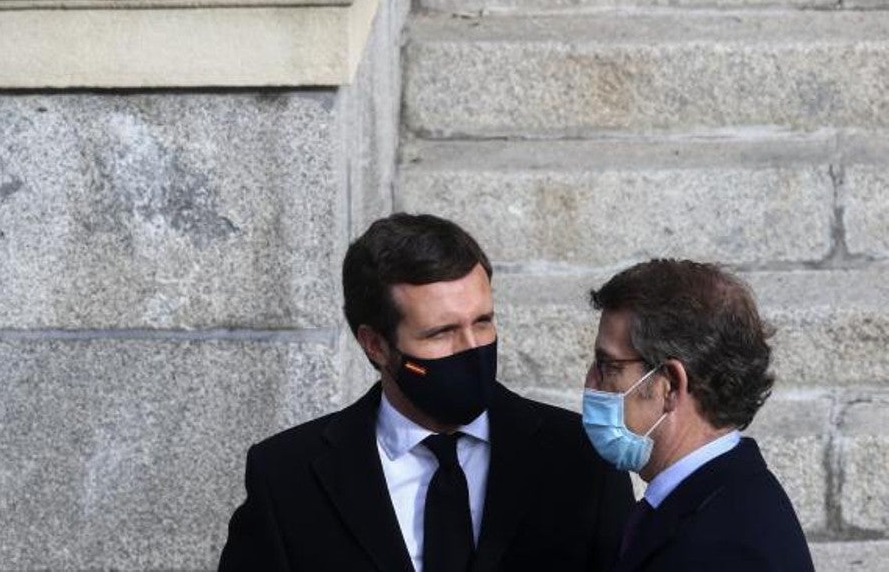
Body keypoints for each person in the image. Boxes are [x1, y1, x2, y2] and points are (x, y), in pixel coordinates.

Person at [219, 213, 632, 571]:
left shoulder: (581, 457)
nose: (472, 347)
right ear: (376, 345)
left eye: (483, 322)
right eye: (442, 332)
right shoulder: (287, 477)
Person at [582, 259, 813, 571]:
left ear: (671, 385)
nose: (591, 382)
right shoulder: (710, 500)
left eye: (608, 365)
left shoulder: (727, 547)